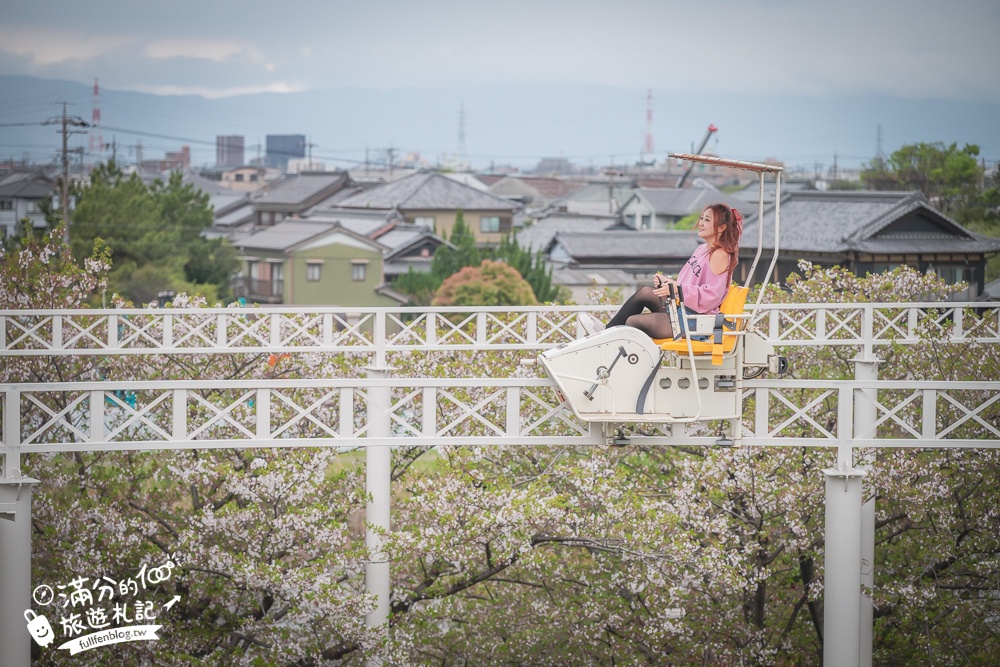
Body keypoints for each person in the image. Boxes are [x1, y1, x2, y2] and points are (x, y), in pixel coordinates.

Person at [579, 203, 743, 339]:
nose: (700, 223)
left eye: (707, 220)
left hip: (696, 320)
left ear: (721, 227)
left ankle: (605, 339)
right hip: (684, 309)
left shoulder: (720, 255)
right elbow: (687, 283)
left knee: (633, 321)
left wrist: (676, 288)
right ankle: (605, 333)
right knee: (645, 292)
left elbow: (711, 297)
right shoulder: (702, 249)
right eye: (701, 218)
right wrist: (668, 283)